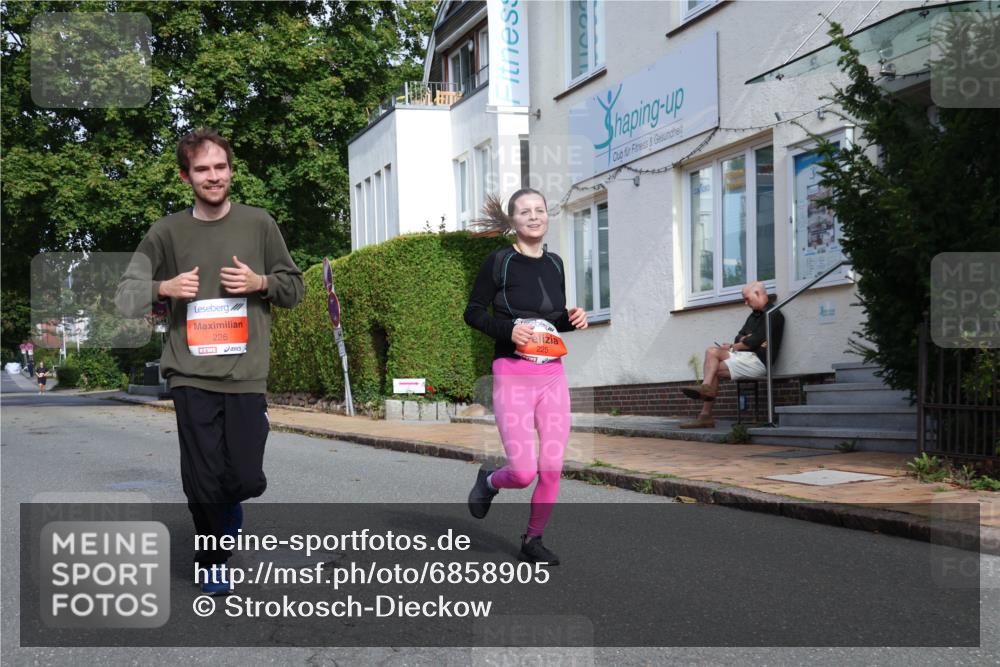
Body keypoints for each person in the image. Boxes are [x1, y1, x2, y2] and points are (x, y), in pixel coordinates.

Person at [116, 128, 304, 594]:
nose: (213, 176)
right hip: (189, 373)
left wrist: (260, 282)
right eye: (202, 169)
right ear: (186, 177)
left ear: (231, 171)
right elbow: (123, 296)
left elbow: (294, 288)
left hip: (245, 374)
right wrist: (164, 288)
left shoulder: (259, 224)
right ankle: (212, 557)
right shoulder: (166, 232)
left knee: (244, 477)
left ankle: (229, 508)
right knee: (201, 479)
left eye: (220, 167)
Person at [463, 189, 588, 565]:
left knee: (551, 466)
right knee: (521, 471)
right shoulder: (499, 261)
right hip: (513, 374)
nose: (533, 217)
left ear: (547, 216)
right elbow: (472, 312)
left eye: (539, 210)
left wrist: (572, 319)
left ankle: (533, 540)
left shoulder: (555, 264)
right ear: (513, 221)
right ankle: (488, 481)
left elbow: (551, 319)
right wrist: (506, 331)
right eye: (524, 212)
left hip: (552, 375)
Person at [679, 281, 784, 429]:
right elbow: (740, 338)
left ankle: (705, 410)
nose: (745, 303)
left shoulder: (774, 314)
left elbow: (750, 343)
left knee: (712, 357)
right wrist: (747, 340)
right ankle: (705, 406)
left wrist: (746, 341)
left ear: (758, 294)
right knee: (711, 354)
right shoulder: (753, 316)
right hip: (745, 358)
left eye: (747, 299)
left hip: (759, 362)